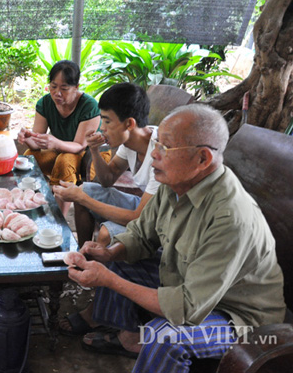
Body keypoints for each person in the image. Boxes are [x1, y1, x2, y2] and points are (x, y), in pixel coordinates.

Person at [65, 104, 285, 372]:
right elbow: (140, 235)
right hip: (192, 283)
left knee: (164, 338)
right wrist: (110, 254)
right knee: (117, 256)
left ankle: (144, 346)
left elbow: (188, 307)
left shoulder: (230, 217)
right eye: (156, 143)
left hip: (239, 318)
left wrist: (107, 279)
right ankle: (128, 338)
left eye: (165, 148)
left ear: (203, 159)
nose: (154, 155)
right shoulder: (176, 185)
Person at [54, 82, 161, 336]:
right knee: (89, 190)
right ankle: (85, 258)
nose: (101, 128)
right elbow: (107, 179)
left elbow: (139, 219)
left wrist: (83, 198)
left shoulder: (160, 156)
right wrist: (94, 149)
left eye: (107, 121)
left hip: (156, 221)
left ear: (129, 123)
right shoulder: (130, 141)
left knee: (106, 232)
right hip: (144, 206)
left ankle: (96, 314)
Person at [17, 60, 110, 216]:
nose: (57, 93)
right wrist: (27, 138)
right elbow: (36, 144)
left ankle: (59, 218)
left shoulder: (89, 106)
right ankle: (29, 206)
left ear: (76, 87)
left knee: (65, 161)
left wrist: (54, 142)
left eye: (64, 88)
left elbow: (79, 145)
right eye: (53, 87)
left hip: (90, 155)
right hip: (60, 149)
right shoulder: (45, 103)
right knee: (30, 157)